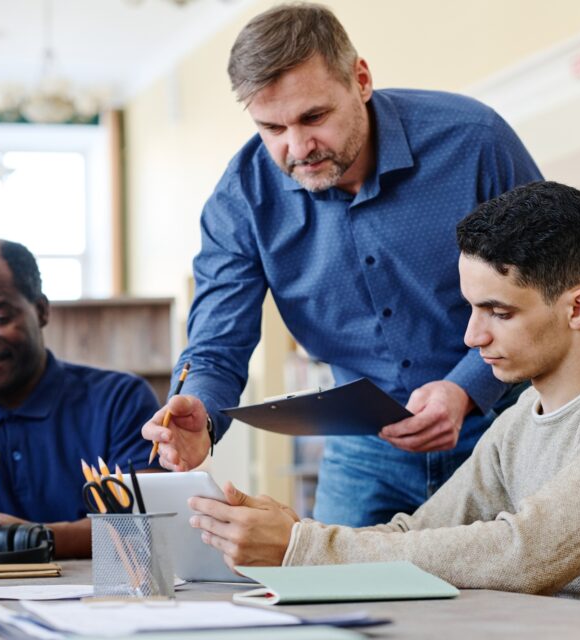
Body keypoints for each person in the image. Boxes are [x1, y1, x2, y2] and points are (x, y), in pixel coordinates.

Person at [186, 181, 580, 609]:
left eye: (499, 312)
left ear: (578, 308)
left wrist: (306, 549)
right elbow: (420, 531)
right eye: (470, 309)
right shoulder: (517, 424)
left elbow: (528, 552)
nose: (472, 336)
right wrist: (294, 530)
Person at [142, 2, 542, 526]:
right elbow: (216, 346)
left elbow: (548, 285)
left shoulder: (474, 142)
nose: (298, 147)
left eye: (314, 117)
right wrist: (198, 411)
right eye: (272, 127)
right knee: (332, 593)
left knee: (515, 595)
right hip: (364, 450)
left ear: (361, 79)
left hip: (506, 427)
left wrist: (467, 388)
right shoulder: (241, 200)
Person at [0, 239, 160, 558]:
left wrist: (28, 538)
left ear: (42, 310)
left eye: (0, 317)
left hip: (102, 600)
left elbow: (143, 523)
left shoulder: (119, 401)